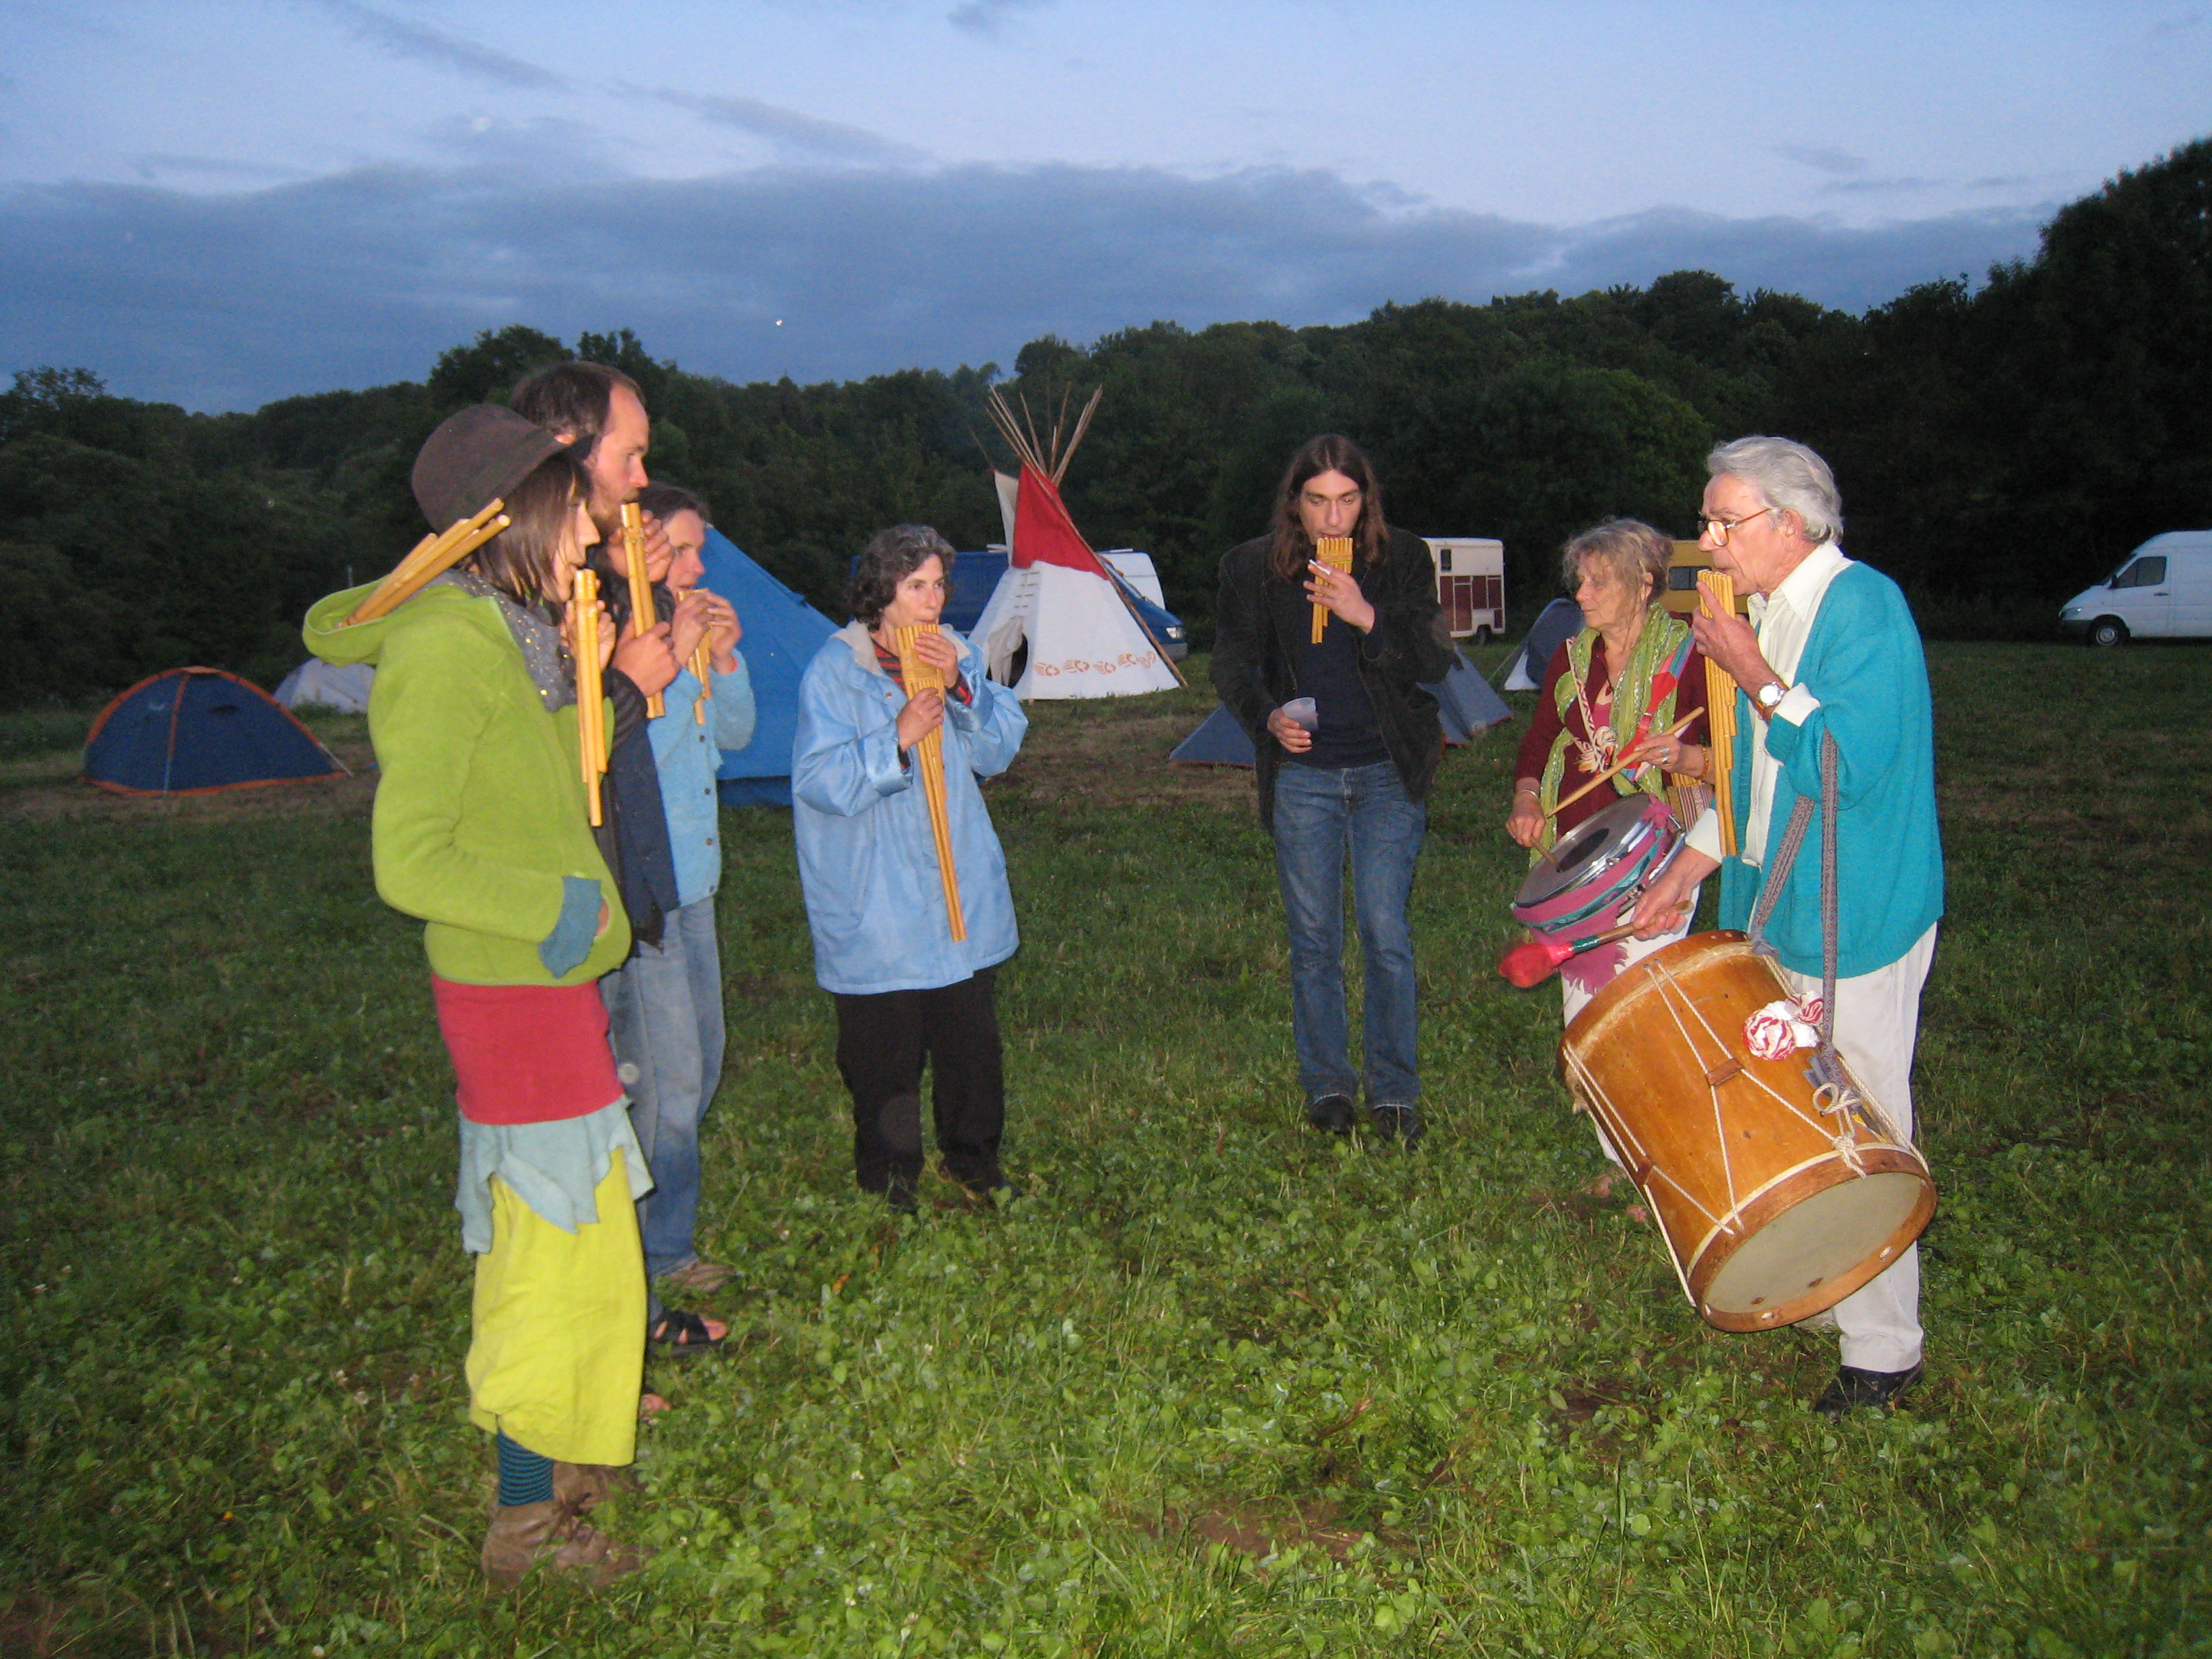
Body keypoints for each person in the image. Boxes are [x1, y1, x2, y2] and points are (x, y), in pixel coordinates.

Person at [302, 405, 649, 1585]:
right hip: (512, 995)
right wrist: (561, 910)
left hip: (549, 987)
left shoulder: (516, 635)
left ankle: (570, 1452)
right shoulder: (447, 646)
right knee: (544, 1264)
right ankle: (525, 1523)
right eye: (576, 515)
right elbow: (411, 859)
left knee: (591, 1244)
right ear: (513, 521)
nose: (593, 537)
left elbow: (537, 800)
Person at [1630, 436, 1943, 1419]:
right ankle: (1830, 1281)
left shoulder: (1862, 607)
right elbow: (1756, 776)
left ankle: (1885, 1352)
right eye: (1707, 520)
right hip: (1780, 903)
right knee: (1793, 1103)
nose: (1708, 541)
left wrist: (1756, 673)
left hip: (1860, 910)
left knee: (1862, 1117)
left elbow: (1847, 764)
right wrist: (1688, 866)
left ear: (1792, 523)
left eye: (1724, 522)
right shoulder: (1761, 612)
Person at [509, 363, 727, 1359]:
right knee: (622, 1104)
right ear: (567, 450)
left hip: (641, 880)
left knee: (666, 1082)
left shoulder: (591, 587)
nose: (642, 479)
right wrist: (635, 679)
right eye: (631, 457)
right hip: (575, 908)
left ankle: (631, 1303)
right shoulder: (522, 605)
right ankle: (613, 1318)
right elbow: (554, 761)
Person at [1210, 435, 1454, 1146]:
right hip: (1305, 778)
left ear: (1365, 501)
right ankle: (1328, 1086)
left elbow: (1434, 659)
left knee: (1385, 931)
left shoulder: (1402, 559)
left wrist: (1366, 614)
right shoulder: (1251, 568)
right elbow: (1231, 665)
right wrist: (1267, 717)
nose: (1333, 518)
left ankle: (1395, 1092)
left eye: (1347, 501)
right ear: (1295, 503)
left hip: (1386, 769)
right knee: (1314, 937)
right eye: (1317, 502)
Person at [791, 525, 1028, 1213]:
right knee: (885, 1049)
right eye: (915, 585)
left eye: (939, 584)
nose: (933, 599)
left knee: (969, 1039)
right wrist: (894, 738)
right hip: (877, 891)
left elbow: (999, 750)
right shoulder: (837, 670)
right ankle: (890, 1175)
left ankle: (974, 1157)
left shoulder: (957, 653)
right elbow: (817, 781)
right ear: (881, 591)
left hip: (958, 882)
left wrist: (961, 689)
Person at [615, 481, 755, 1296]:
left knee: (700, 1065)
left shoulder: (682, 640)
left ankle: (651, 1234)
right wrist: (672, 664)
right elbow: (635, 762)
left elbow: (732, 736)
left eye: (699, 549)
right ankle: (658, 1256)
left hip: (696, 884)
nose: (698, 567)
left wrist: (723, 660)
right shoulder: (625, 647)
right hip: (648, 889)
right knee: (667, 1083)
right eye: (683, 549)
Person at [1506, 519, 1710, 1021]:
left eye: (1598, 582)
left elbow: (1729, 761)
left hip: (1659, 852)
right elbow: (1539, 742)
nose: (1581, 595)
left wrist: (1685, 757)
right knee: (1585, 1010)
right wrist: (1527, 798)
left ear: (1643, 585)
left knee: (1642, 1004)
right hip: (1575, 847)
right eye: (1581, 581)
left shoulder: (1690, 655)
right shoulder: (1572, 657)